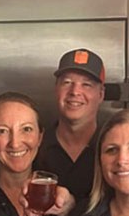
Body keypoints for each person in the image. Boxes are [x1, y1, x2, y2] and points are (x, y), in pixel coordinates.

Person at [34, 48, 105, 200]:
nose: (75, 91)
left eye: (86, 85)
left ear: (101, 94)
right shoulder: (34, 146)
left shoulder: (112, 148)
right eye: (67, 82)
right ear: (56, 89)